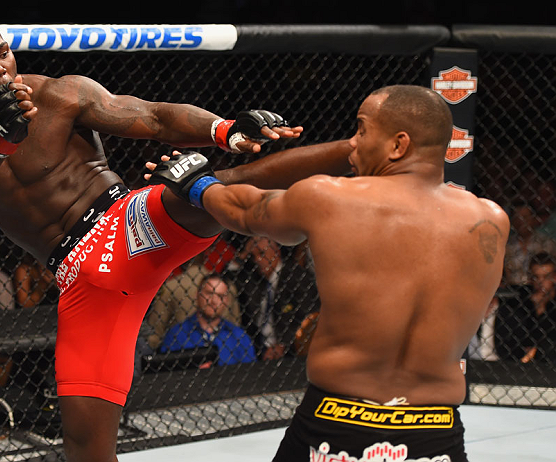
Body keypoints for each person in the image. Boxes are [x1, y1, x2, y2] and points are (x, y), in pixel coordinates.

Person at [0, 14, 354, 462]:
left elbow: (152, 116)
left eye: (2, 52)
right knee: (85, 450)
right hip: (79, 278)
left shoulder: (57, 94)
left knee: (214, 188)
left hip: (122, 220)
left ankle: (353, 151)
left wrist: (222, 129)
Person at [148, 85, 510, 461]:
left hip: (337, 420)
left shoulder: (332, 198)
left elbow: (244, 210)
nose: (352, 145)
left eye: (362, 130)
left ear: (398, 146)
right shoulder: (491, 221)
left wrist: (197, 183)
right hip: (435, 429)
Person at [232, 236, 320, 361]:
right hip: (258, 348)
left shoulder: (296, 277)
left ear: (276, 252)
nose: (258, 259)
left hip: (291, 349)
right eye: (253, 256)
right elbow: (228, 278)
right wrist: (242, 256)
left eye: (262, 253)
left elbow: (308, 315)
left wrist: (284, 344)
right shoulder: (252, 279)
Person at [160, 273, 256, 367]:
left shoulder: (239, 337)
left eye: (220, 296)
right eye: (209, 293)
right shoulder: (176, 335)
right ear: (197, 294)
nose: (214, 301)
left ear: (226, 300)